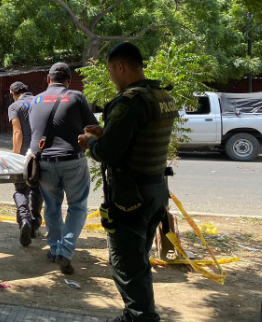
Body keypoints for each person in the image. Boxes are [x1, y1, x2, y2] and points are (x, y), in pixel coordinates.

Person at [78, 42, 179, 322]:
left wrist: (92, 142)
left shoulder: (129, 101)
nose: (111, 77)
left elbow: (108, 152)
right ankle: (133, 315)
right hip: (155, 190)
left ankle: (139, 317)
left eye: (111, 70)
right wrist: (106, 132)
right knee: (138, 259)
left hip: (131, 196)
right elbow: (136, 137)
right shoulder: (160, 95)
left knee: (126, 264)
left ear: (120, 66)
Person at [28, 62, 98, 275]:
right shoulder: (76, 97)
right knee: (77, 206)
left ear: (48, 80)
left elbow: (35, 129)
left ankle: (54, 250)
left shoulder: (36, 99)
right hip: (72, 160)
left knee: (52, 207)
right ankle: (65, 252)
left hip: (44, 162)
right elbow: (92, 128)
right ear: (69, 81)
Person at [8, 81, 43, 246]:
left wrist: (15, 156)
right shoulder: (40, 101)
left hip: (24, 155)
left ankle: (24, 220)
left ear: (13, 92)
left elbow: (17, 132)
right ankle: (35, 227)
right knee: (36, 190)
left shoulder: (15, 106)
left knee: (21, 190)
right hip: (41, 153)